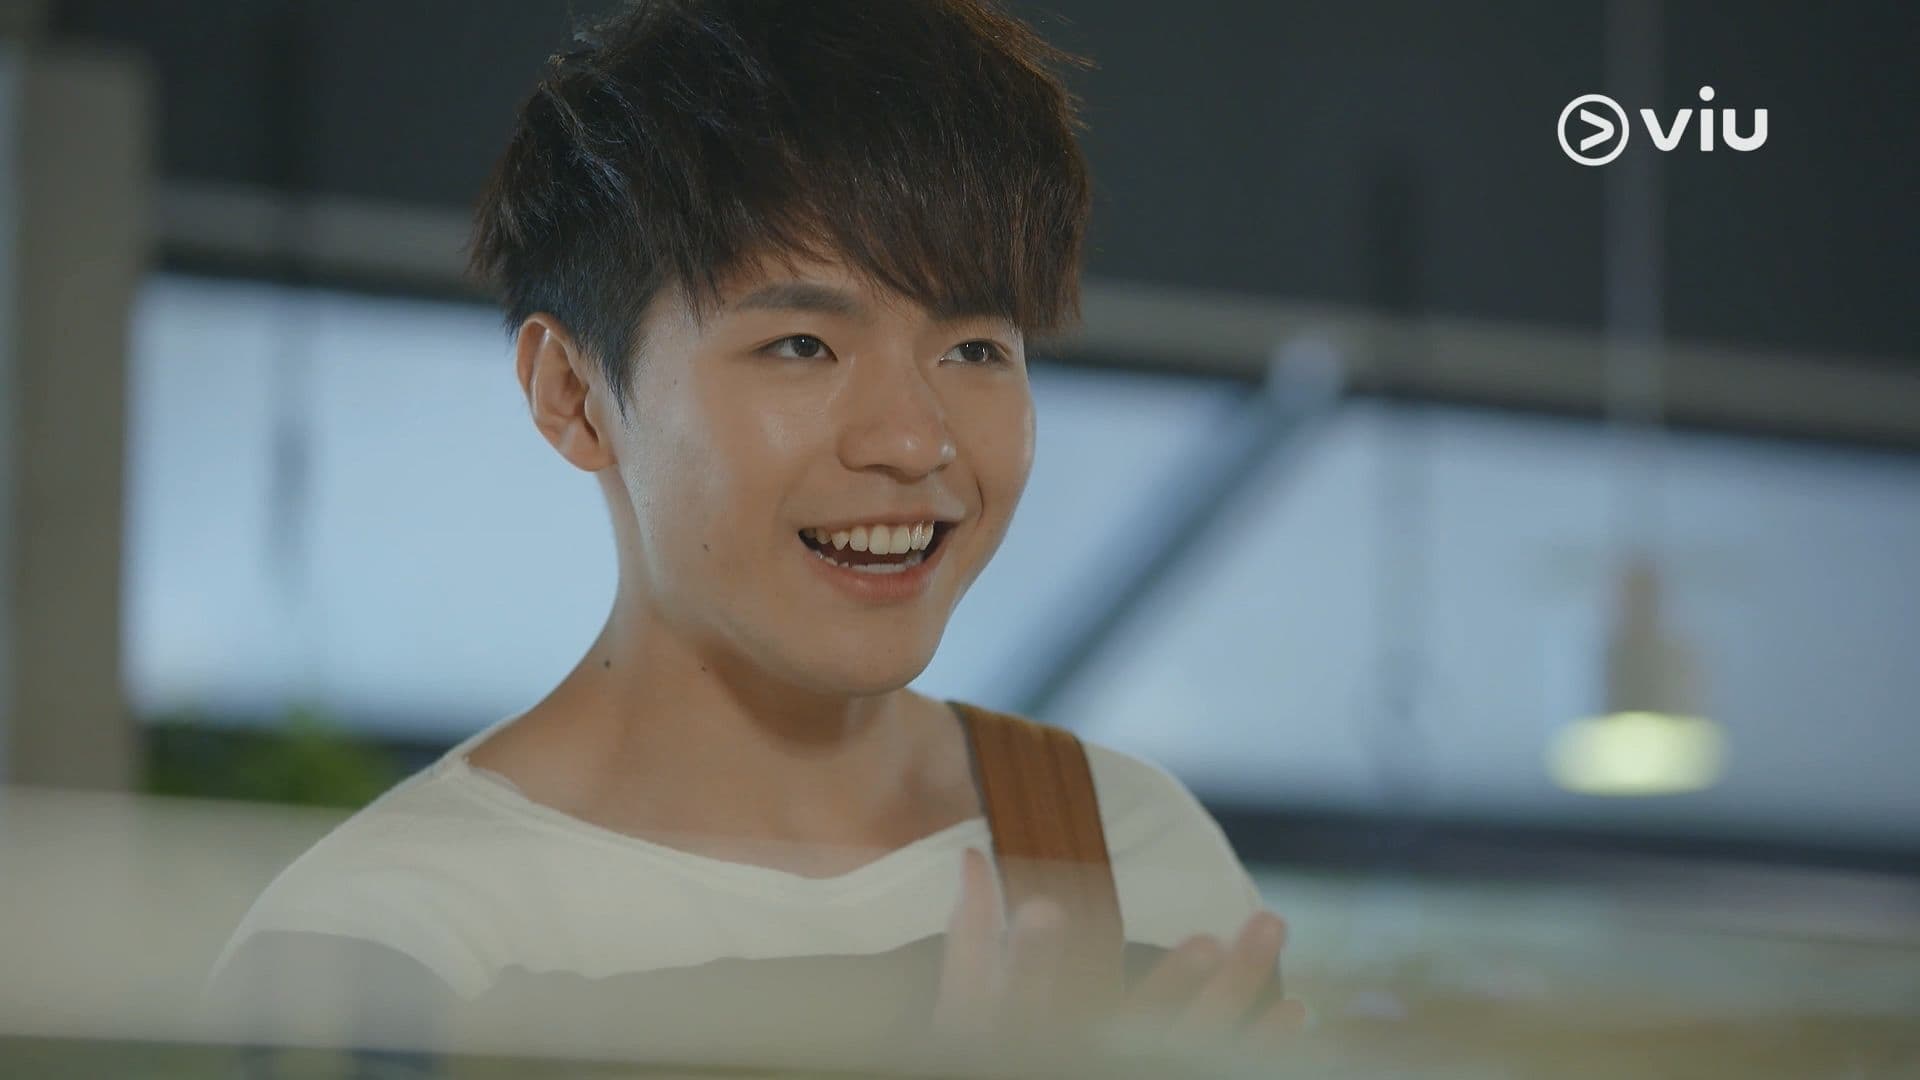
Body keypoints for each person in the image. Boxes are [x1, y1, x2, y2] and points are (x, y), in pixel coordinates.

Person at [207, 0, 1302, 1070]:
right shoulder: (391, 942)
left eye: (975, 349)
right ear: (572, 394)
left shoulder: (1128, 856)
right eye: (801, 347)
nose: (912, 441)